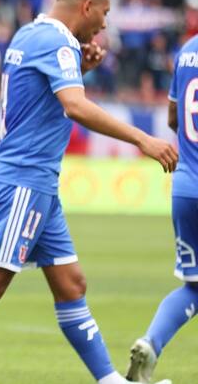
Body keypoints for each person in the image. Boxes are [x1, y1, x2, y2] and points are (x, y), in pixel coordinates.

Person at [0, 0, 177, 384]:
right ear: (87, 6)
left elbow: (41, 98)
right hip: (24, 179)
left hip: (37, 182)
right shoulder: (57, 40)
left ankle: (110, 381)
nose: (105, 24)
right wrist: (142, 140)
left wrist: (80, 65)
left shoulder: (30, 34)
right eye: (105, 13)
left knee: (71, 283)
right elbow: (74, 107)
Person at [125, 33, 198, 383]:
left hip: (186, 185)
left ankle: (151, 342)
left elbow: (173, 116)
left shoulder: (187, 51)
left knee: (195, 286)